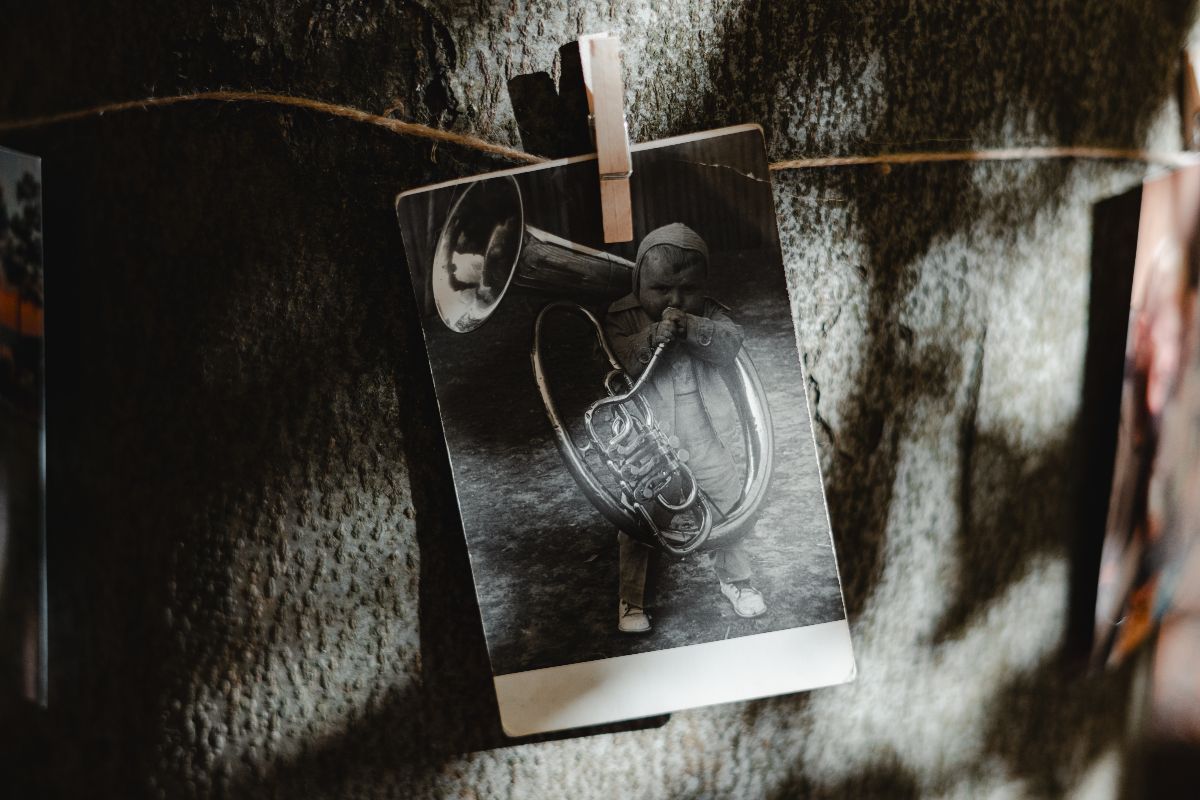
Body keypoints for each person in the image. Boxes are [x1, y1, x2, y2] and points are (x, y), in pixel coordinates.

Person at [603, 223, 767, 633]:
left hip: (704, 431)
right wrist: (649, 337)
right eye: (660, 289)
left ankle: (737, 580)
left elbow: (731, 342)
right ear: (638, 282)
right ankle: (632, 598)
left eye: (688, 289)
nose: (674, 301)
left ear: (704, 286)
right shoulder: (622, 316)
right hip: (647, 435)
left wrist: (692, 327)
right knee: (638, 514)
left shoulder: (707, 312)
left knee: (729, 502)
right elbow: (613, 357)